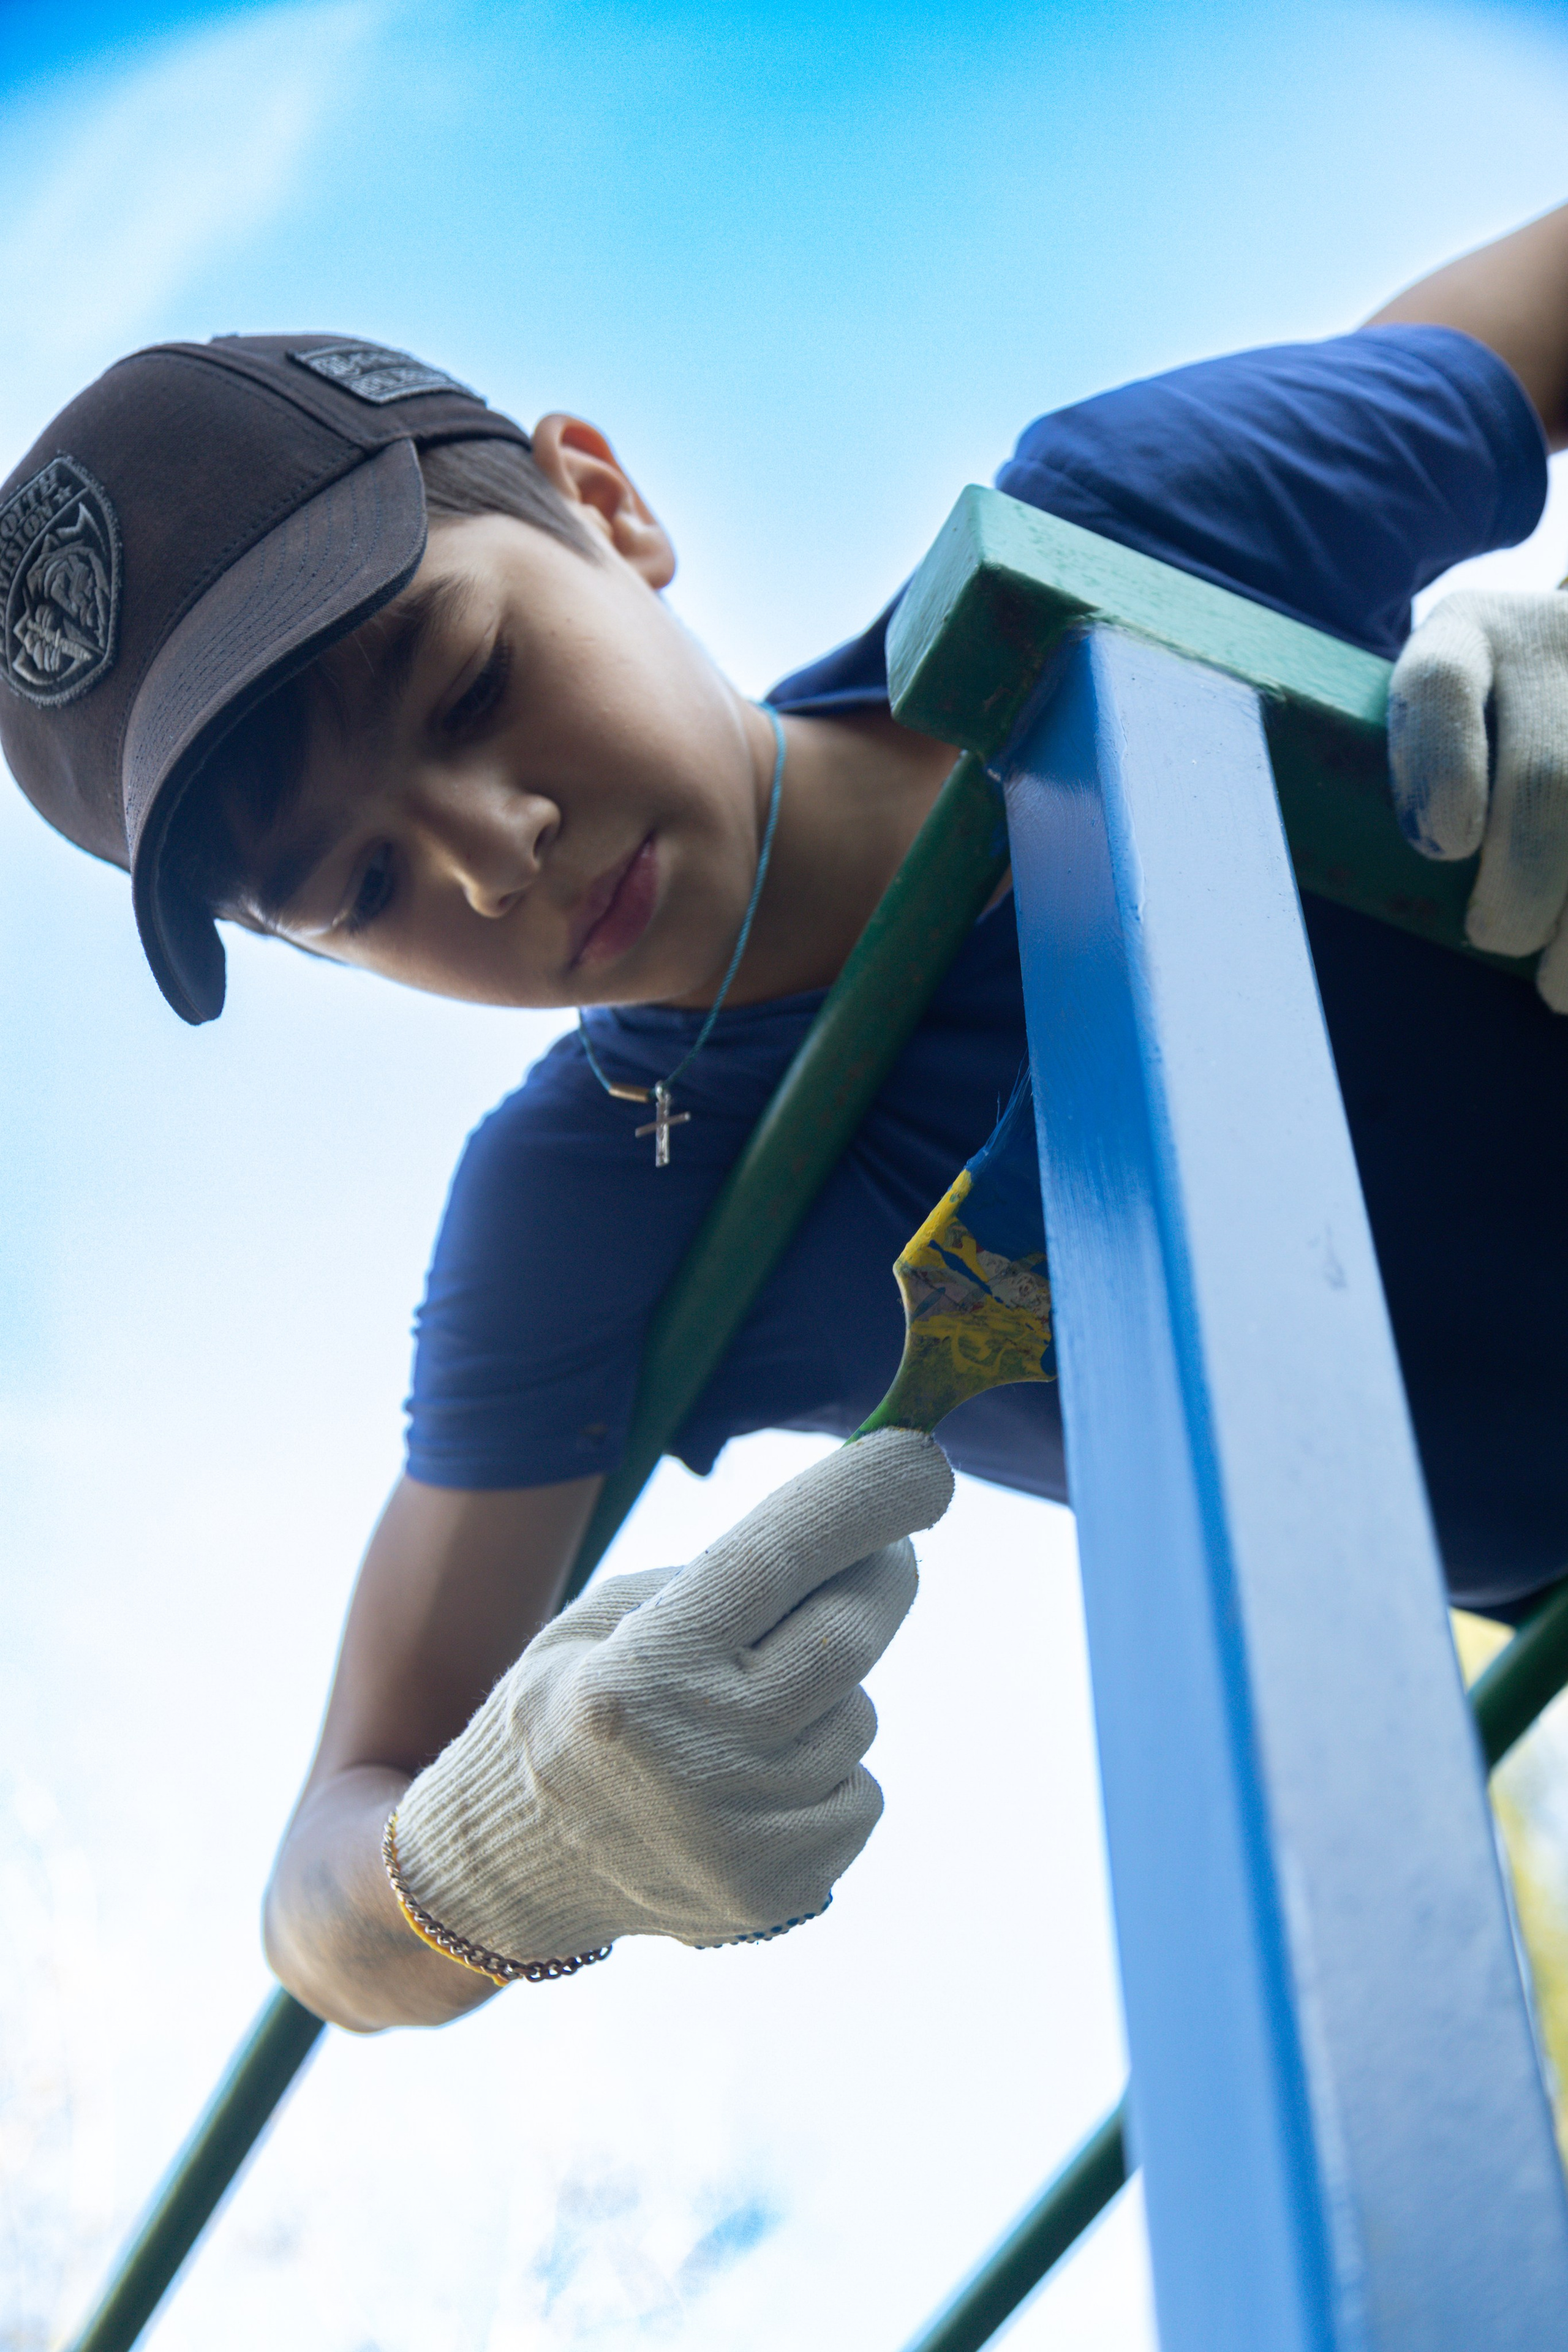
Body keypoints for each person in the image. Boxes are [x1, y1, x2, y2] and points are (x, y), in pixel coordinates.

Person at [6, 209, 1568, 2035]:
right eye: (354, 888)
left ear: (604, 504)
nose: (488, 851)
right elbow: (323, 1899)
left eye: (470, 685)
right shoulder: (593, 1203)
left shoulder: (1127, 542)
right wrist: (497, 1852)